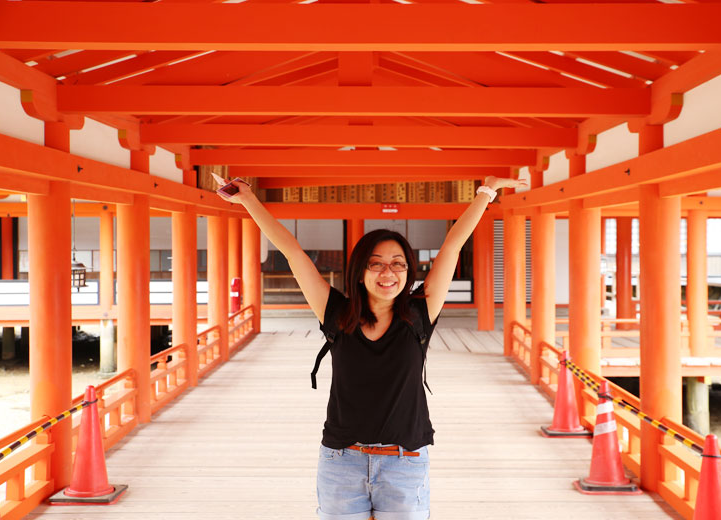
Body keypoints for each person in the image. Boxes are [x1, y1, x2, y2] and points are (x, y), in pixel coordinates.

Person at [220, 176, 525, 520]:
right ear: (360, 270)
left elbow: (452, 247)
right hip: (341, 462)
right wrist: (248, 200)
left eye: (398, 263)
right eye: (376, 262)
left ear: (408, 272)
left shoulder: (419, 315)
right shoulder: (336, 313)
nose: (388, 272)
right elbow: (292, 252)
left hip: (404, 462)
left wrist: (486, 192)